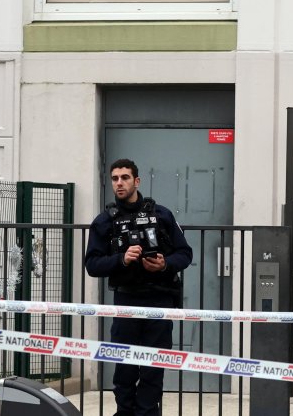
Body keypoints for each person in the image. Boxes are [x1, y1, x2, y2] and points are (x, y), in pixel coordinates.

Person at [85, 158, 193, 416]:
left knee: (154, 366)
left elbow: (185, 254)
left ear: (137, 181)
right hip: (126, 301)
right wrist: (121, 259)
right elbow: (92, 264)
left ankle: (147, 413)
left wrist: (164, 264)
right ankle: (124, 412)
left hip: (160, 300)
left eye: (124, 177)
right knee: (124, 366)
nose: (119, 183)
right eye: (114, 178)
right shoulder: (104, 221)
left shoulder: (162, 215)